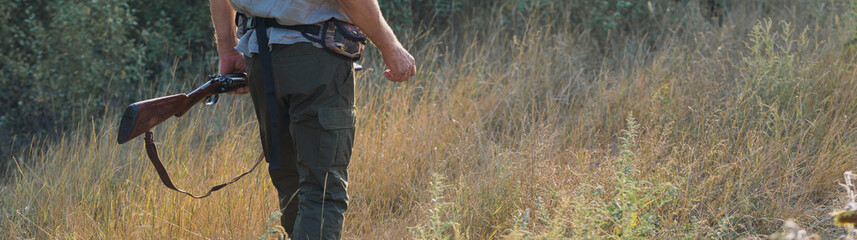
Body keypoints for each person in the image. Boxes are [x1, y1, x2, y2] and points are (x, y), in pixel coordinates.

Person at [207, 0, 416, 239]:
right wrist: (390, 47)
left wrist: (227, 48)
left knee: (289, 181)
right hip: (317, 58)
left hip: (261, 57)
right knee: (322, 190)